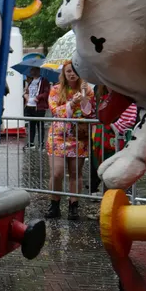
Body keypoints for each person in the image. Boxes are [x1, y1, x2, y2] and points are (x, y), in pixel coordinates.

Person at [45, 61, 95, 220]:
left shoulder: (87, 89)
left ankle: (74, 206)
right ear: (64, 73)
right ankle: (54, 204)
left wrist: (84, 97)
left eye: (75, 71)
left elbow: (90, 113)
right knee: (57, 173)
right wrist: (72, 103)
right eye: (68, 71)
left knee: (75, 173)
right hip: (58, 136)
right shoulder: (55, 89)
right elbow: (55, 111)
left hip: (78, 136)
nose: (72, 74)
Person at [23, 66, 51, 148]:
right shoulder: (31, 81)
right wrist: (25, 95)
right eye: (31, 70)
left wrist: (38, 97)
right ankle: (31, 143)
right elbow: (27, 92)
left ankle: (41, 143)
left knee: (40, 125)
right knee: (31, 125)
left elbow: (46, 93)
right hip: (30, 106)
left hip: (39, 107)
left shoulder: (43, 81)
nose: (31, 71)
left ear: (38, 71)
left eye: (33, 70)